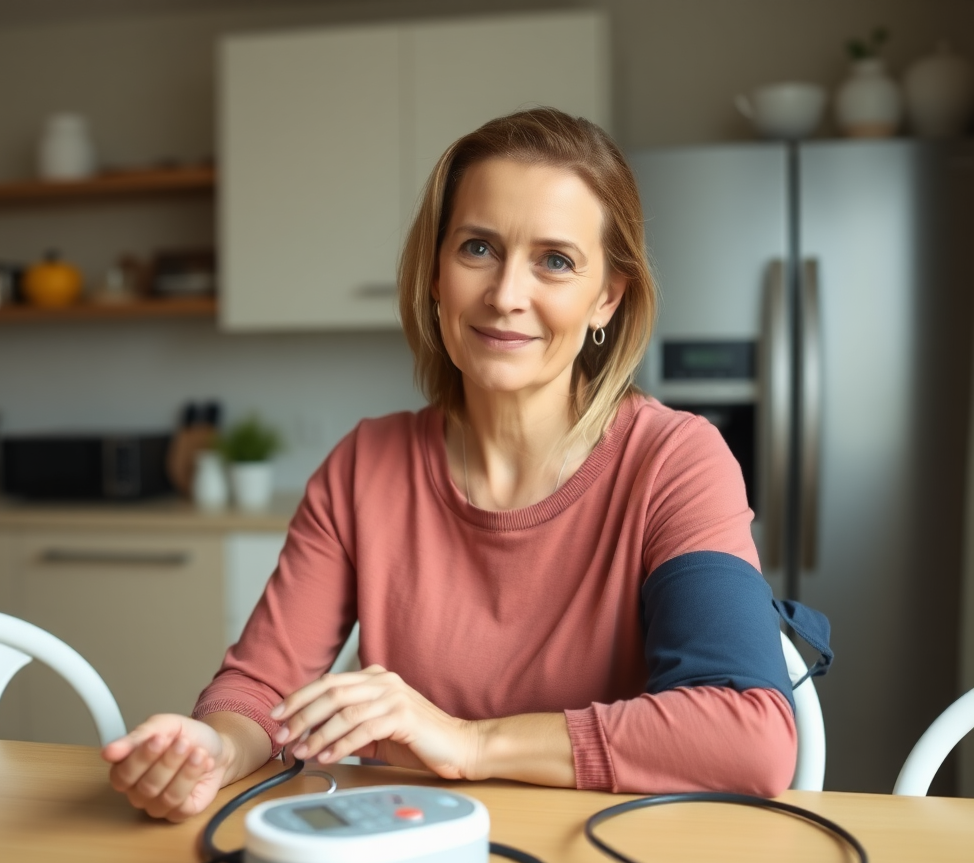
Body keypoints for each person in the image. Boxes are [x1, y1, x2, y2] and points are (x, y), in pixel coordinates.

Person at [102, 108, 797, 822]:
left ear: (607, 298)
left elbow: (750, 734)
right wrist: (213, 750)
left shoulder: (674, 461)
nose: (505, 295)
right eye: (477, 249)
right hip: (405, 851)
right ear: (436, 275)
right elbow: (259, 691)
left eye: (555, 261)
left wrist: (467, 744)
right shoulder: (365, 466)